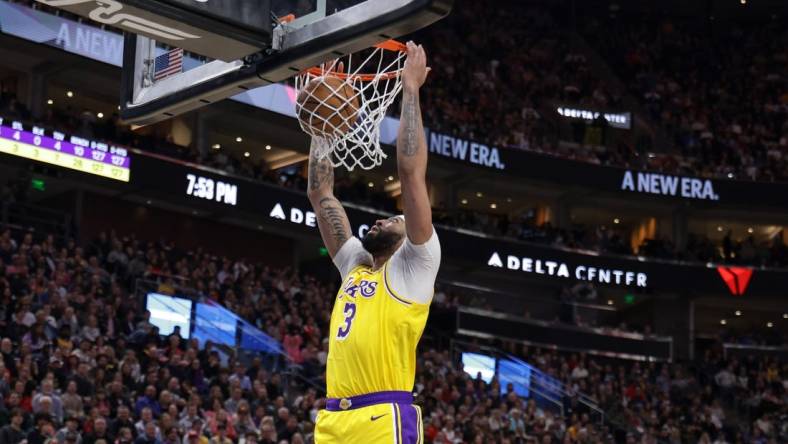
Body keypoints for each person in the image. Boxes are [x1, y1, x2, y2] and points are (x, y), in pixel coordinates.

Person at [307, 41, 440, 443]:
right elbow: (321, 195)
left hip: (383, 416)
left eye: (394, 218)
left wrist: (411, 88)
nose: (381, 219)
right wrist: (321, 127)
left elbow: (409, 173)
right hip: (333, 418)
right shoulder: (355, 264)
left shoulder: (416, 265)